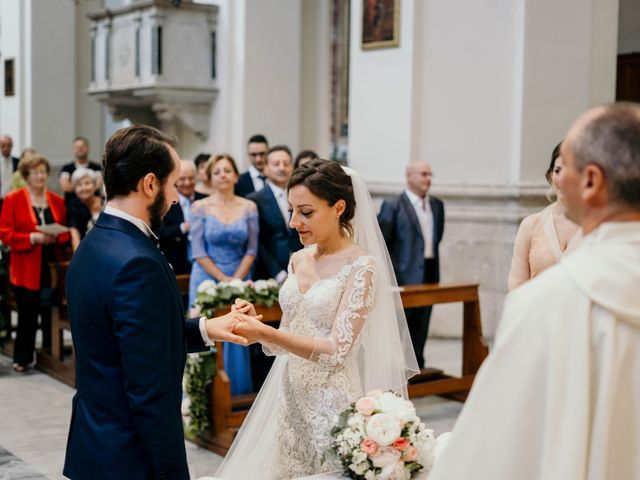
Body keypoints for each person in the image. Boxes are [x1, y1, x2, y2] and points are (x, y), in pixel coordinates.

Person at [429, 103, 640, 480]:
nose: (558, 178)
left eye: (567, 168)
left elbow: (492, 451)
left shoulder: (547, 304)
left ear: (590, 181)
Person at [62, 125, 255, 480]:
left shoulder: (94, 244)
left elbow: (130, 343)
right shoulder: (137, 262)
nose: (176, 198)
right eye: (172, 185)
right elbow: (148, 390)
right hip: (131, 458)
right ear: (150, 184)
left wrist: (207, 328)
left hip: (95, 446)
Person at [214, 159, 419, 479]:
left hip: (330, 402)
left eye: (306, 212)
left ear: (338, 207)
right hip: (289, 394)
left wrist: (266, 332)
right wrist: (257, 329)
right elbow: (289, 334)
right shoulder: (298, 258)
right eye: (292, 210)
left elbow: (337, 351)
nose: (294, 222)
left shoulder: (361, 267)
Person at [188, 154, 258, 395]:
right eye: (217, 171)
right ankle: (202, 399)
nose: (223, 175)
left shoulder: (249, 207)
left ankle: (234, 396)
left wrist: (236, 279)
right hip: (206, 277)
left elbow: (251, 249)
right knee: (205, 331)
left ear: (236, 175)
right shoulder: (199, 207)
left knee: (238, 330)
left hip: (239, 277)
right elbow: (197, 250)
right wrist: (223, 279)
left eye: (228, 170)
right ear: (209, 176)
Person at [0, 154, 69, 373]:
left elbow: (66, 232)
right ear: (26, 176)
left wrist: (56, 236)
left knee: (50, 309)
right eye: (35, 172)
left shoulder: (56, 200)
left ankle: (49, 352)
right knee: (28, 313)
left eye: (43, 172)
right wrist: (32, 238)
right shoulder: (14, 199)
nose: (40, 176)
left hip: (51, 264)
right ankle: (23, 356)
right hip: (26, 265)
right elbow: (5, 234)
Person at [378, 160, 445, 369]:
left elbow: (436, 237)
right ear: (409, 177)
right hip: (403, 277)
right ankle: (399, 371)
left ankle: (419, 368)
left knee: (421, 326)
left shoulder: (437, 205)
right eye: (423, 174)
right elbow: (382, 243)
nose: (428, 179)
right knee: (401, 330)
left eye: (430, 175)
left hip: (430, 273)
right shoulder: (393, 205)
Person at [507, 142, 582, 290]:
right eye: (557, 171)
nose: (562, 179)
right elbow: (516, 282)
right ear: (550, 175)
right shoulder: (531, 224)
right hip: (537, 312)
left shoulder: (598, 226)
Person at [248, 145, 303, 282]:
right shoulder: (254, 200)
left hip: (301, 269)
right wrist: (278, 273)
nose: (282, 168)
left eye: (286, 163)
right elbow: (257, 242)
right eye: (276, 164)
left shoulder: (302, 197)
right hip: (268, 274)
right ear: (265, 168)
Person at [158, 159, 207, 274]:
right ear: (175, 180)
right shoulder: (165, 203)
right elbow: (160, 233)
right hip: (176, 264)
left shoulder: (206, 199)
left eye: (191, 178)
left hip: (204, 264)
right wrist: (182, 228)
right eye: (182, 179)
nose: (187, 183)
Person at [67, 168, 104, 252]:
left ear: (95, 186)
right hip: (88, 251)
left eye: (87, 183)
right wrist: (78, 259)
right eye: (79, 185)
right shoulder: (73, 206)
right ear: (75, 189)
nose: (83, 188)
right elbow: (74, 234)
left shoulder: (106, 201)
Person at [59, 136, 102, 205]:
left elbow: (97, 185)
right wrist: (88, 186)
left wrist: (76, 186)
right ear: (73, 149)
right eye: (77, 147)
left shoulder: (97, 167)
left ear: (87, 148)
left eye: (82, 146)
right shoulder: (66, 168)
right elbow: (65, 187)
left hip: (94, 205)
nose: (80, 149)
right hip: (71, 206)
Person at [0, 134, 20, 201]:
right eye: (3, 146)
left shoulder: (18, 162)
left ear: (12, 146)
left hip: (13, 198)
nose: (6, 148)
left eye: (8, 146)